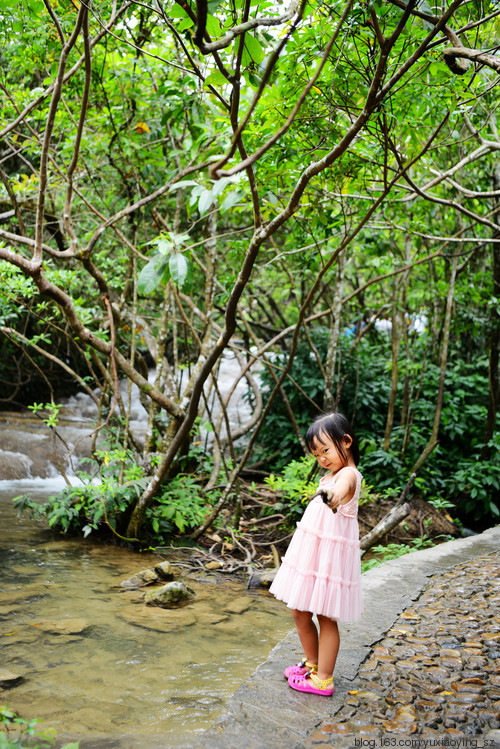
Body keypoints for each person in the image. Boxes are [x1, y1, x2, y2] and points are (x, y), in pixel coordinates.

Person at [269, 411, 363, 696]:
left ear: (345, 442)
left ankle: (324, 678)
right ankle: (312, 663)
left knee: (325, 616)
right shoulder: (332, 473)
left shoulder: (347, 474)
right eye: (316, 454)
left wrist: (331, 496)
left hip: (329, 560)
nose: (322, 458)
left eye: (326, 450)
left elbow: (340, 491)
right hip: (314, 556)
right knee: (299, 610)